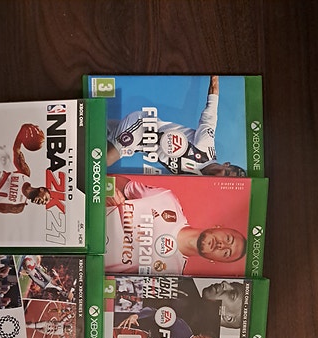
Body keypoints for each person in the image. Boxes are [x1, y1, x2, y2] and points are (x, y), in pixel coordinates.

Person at [105, 175, 247, 275]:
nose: (222, 245)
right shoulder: (167, 199)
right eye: (228, 239)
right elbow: (122, 185)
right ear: (218, 227)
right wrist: (109, 189)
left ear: (213, 260)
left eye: (226, 253)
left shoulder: (172, 275)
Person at [107, 75, 246, 176]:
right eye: (226, 173)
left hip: (137, 146)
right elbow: (211, 110)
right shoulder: (205, 146)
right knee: (105, 161)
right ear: (226, 164)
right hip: (141, 126)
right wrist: (214, 76)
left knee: (98, 132)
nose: (220, 175)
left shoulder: (195, 179)